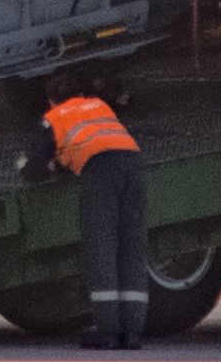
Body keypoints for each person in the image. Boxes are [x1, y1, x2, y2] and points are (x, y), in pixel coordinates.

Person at [38, 84, 152, 348]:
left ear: (51, 99)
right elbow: (97, 138)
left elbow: (35, 166)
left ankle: (109, 333)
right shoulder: (100, 105)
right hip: (133, 165)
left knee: (101, 247)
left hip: (99, 171)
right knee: (132, 248)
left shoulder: (55, 116)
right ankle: (133, 333)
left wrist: (46, 169)